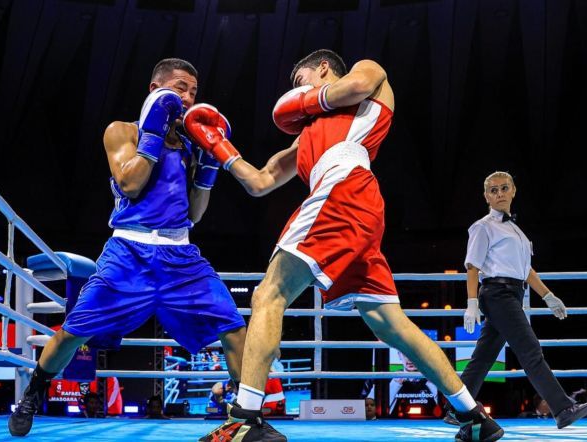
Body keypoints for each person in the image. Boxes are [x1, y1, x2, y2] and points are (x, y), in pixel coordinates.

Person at [186, 49, 503, 442]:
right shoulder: (307, 136)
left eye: (300, 81)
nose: (296, 92)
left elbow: (358, 84)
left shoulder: (366, 74)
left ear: (322, 68)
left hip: (342, 190)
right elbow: (261, 181)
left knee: (269, 294)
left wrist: (305, 99)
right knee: (392, 325)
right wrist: (218, 147)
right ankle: (474, 416)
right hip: (354, 205)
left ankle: (245, 418)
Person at [8, 58, 248, 436]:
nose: (188, 98)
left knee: (232, 325)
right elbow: (131, 185)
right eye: (180, 88)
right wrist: (153, 131)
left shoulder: (190, 146)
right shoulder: (122, 131)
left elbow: (195, 214)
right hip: (129, 252)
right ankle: (33, 394)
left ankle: (246, 414)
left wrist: (206, 170)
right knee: (74, 330)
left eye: (193, 92)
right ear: (156, 90)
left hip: (181, 255)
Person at [452, 171, 587, 430]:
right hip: (498, 294)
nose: (499, 193)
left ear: (513, 191)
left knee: (483, 357)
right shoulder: (483, 226)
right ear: (486, 196)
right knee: (530, 351)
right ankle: (563, 408)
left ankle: (456, 410)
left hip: (511, 295)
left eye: (504, 188)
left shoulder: (516, 230)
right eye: (493, 190)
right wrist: (471, 304)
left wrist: (548, 296)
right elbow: (472, 266)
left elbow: (525, 270)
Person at [389, 350, 439, 416]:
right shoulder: (388, 379)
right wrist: (396, 385)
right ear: (399, 355)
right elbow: (381, 411)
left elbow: (444, 410)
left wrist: (431, 384)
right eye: (405, 354)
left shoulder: (436, 378)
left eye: (414, 354)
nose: (410, 359)